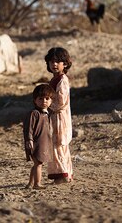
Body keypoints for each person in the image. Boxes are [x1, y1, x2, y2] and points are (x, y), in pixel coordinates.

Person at [44, 46, 74, 183]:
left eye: (57, 61)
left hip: (59, 118)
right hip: (55, 117)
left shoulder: (62, 80)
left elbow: (60, 102)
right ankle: (66, 174)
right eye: (51, 62)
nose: (54, 64)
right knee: (58, 146)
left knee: (58, 146)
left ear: (65, 64)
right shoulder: (54, 79)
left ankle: (62, 175)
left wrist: (46, 107)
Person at [23, 83, 55, 189]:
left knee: (37, 163)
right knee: (38, 164)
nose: (44, 101)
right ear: (35, 100)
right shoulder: (34, 113)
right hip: (35, 143)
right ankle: (37, 184)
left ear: (51, 100)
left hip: (43, 142)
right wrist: (29, 140)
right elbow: (28, 128)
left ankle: (30, 183)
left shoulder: (47, 114)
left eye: (47, 98)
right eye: (41, 99)